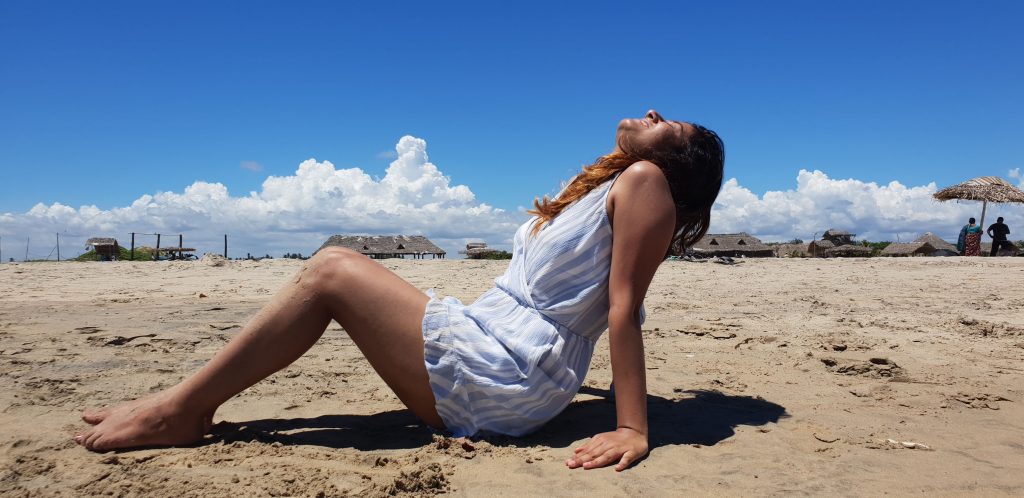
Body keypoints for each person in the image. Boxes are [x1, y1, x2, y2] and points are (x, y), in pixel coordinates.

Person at [73, 110, 725, 472]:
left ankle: (180, 411)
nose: (653, 114)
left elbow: (622, 310)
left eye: (673, 125)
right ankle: (181, 401)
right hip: (501, 343)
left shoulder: (645, 182)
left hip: (512, 372)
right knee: (332, 270)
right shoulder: (616, 187)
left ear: (677, 162)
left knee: (332, 268)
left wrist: (633, 427)